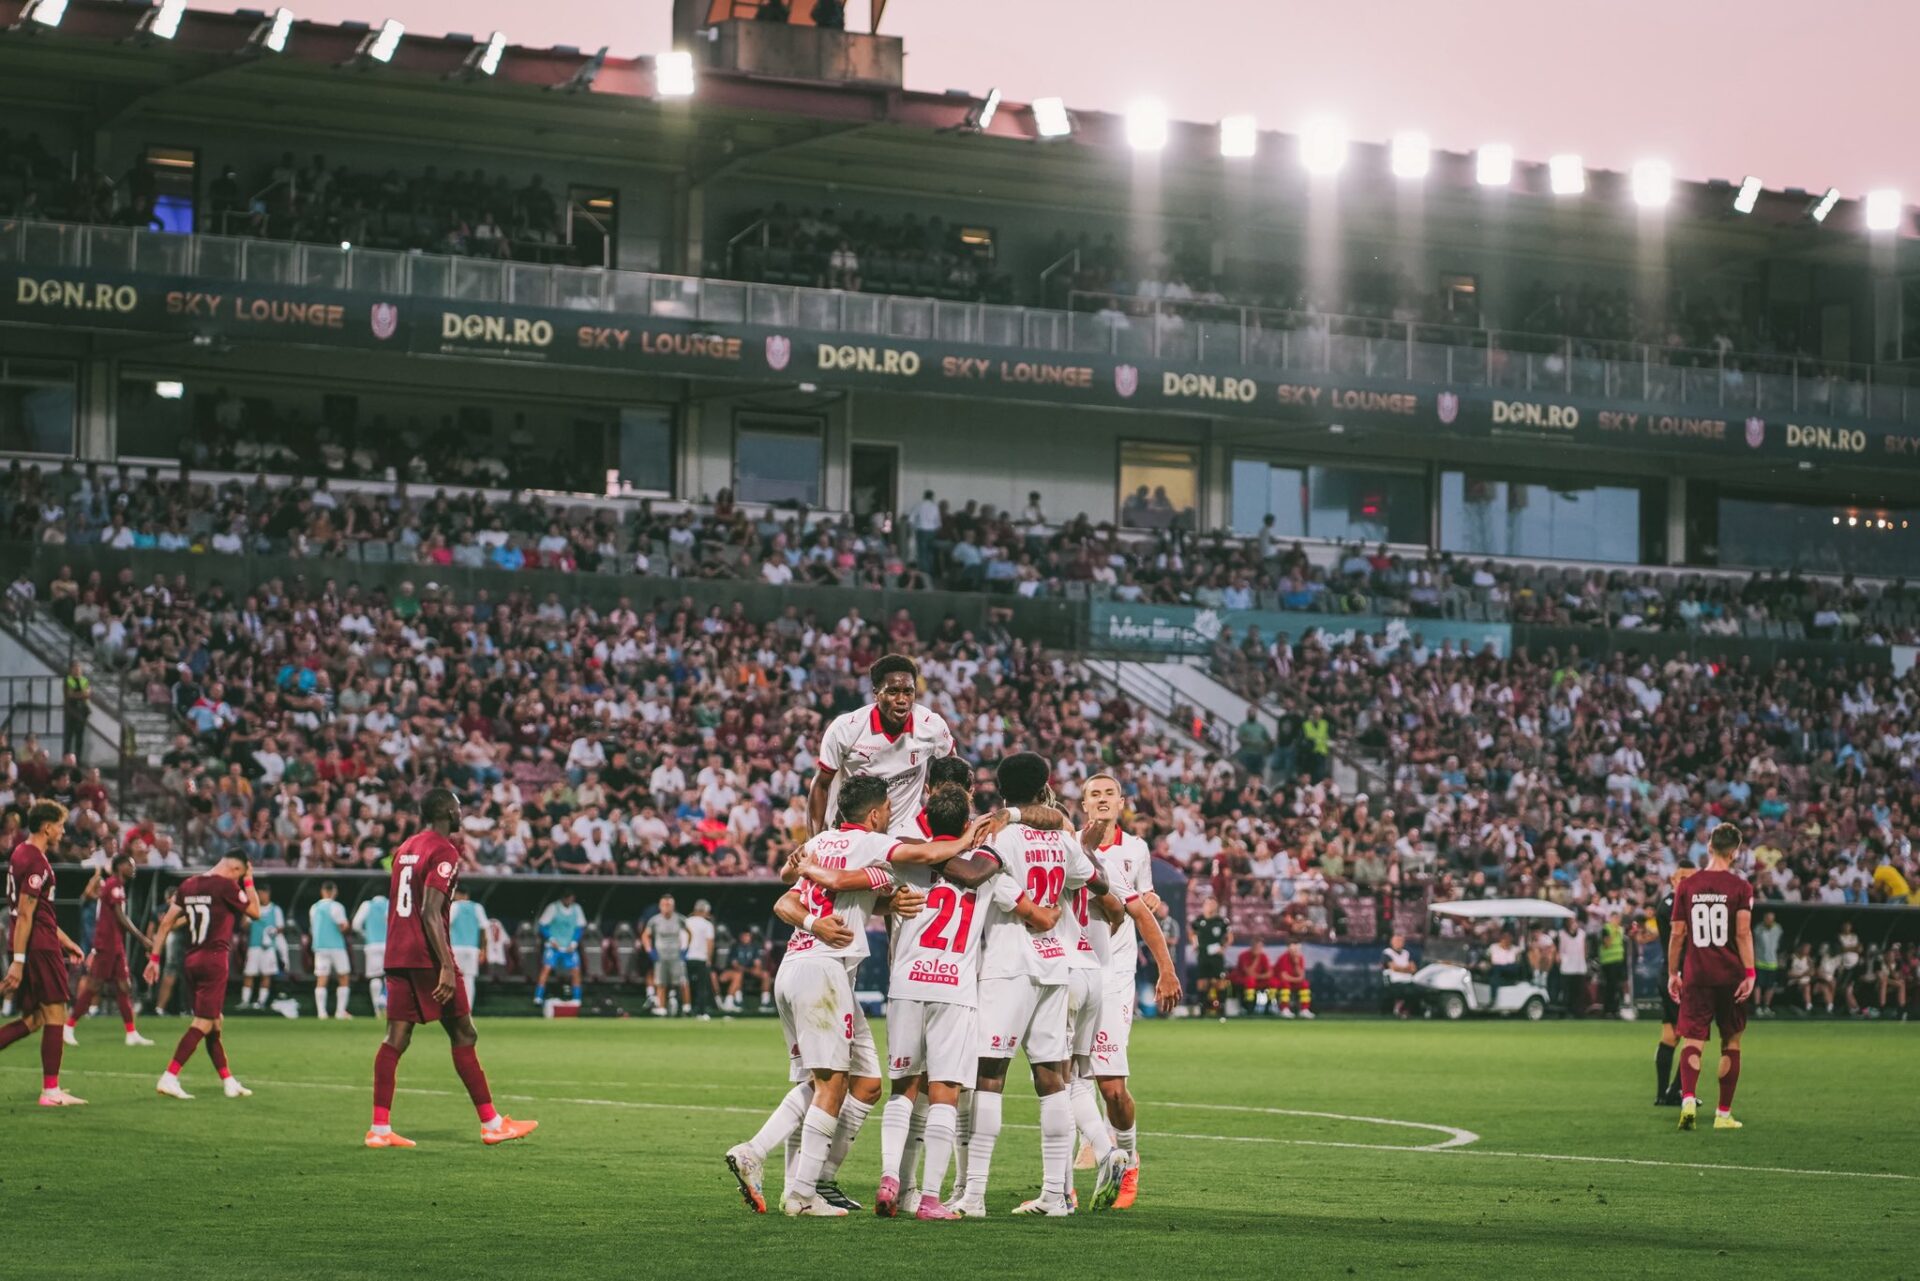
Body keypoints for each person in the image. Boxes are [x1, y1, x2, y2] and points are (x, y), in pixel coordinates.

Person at [785, 773, 999, 1219]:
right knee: (943, 1092)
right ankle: (931, 1198)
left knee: (901, 1088)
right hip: (954, 986)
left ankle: (889, 1180)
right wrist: (982, 835)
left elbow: (832, 880)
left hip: (906, 984)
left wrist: (805, 866)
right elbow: (982, 878)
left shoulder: (898, 858)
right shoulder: (986, 861)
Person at [724, 775, 906, 1217]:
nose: (890, 814)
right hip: (822, 973)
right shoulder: (876, 847)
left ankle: (799, 1177)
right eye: (887, 809)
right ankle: (798, 1188)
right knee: (830, 1084)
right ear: (875, 814)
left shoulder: (819, 843)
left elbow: (786, 900)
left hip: (796, 969)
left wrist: (815, 918)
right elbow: (909, 861)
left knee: (863, 1083)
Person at [960, 752, 1113, 1219]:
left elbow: (974, 874)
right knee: (1052, 1078)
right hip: (1055, 965)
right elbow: (1100, 881)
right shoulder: (1061, 838)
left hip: (1010, 965)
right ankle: (1053, 1195)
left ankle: (973, 1195)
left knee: (990, 1076)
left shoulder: (1001, 835)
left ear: (1002, 790)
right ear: (1044, 786)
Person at [366, 787, 537, 1149]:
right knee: (464, 1033)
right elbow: (429, 912)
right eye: (458, 807)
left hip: (397, 952)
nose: (462, 813)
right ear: (446, 811)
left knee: (396, 1037)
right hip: (426, 955)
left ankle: (379, 1129)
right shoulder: (443, 850)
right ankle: (491, 1124)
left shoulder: (406, 847)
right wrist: (445, 965)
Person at [1074, 773, 1180, 1210]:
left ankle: (1128, 1158)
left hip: (1115, 973)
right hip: (1070, 973)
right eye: (1094, 794)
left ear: (1121, 803)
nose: (1102, 800)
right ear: (1083, 805)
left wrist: (1165, 967)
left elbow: (1143, 902)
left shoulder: (1133, 849)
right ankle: (1062, 1183)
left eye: (1109, 794)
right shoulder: (1069, 845)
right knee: (1060, 1077)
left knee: (1111, 1085)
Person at [146, 848, 260, 1100]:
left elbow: (166, 923)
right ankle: (170, 1076)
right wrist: (249, 881)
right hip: (214, 960)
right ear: (235, 869)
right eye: (240, 874)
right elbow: (255, 912)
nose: (239, 879)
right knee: (204, 1022)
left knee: (214, 1022)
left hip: (192, 960)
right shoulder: (226, 886)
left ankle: (228, 1081)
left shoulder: (188, 884)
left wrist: (154, 959)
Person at [806, 654, 955, 840]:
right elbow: (820, 785)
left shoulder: (931, 725)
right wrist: (813, 842)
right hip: (854, 832)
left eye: (908, 692)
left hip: (907, 832)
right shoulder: (845, 728)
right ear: (876, 694)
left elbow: (953, 769)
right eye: (893, 691)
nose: (902, 699)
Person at [1668, 823, 1757, 1132]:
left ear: (1709, 847)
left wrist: (1672, 973)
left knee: (1693, 1039)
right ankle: (1723, 1114)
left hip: (1697, 973)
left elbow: (1677, 934)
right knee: (1731, 1040)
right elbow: (1743, 933)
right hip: (1730, 974)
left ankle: (1688, 1100)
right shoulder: (1741, 887)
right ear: (1735, 853)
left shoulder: (1687, 886)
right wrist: (1750, 973)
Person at [0, 801, 88, 1106]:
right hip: (37, 947)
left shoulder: (20, 853)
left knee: (36, 1018)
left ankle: (52, 1088)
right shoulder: (36, 861)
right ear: (47, 827)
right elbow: (27, 914)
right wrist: (18, 962)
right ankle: (51, 1091)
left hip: (34, 941)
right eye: (60, 826)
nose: (63, 832)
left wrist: (65, 941)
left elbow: (37, 913)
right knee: (55, 1013)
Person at [66, 852, 156, 1046]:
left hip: (115, 945)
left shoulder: (118, 885)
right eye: (130, 864)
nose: (133, 868)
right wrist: (142, 939)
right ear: (120, 866)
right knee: (94, 986)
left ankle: (131, 1033)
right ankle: (68, 1027)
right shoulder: (114, 884)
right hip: (106, 944)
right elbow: (121, 917)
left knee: (124, 986)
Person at [1651, 868, 1695, 1106]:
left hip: (1672, 974)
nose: (1689, 882)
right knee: (1693, 1034)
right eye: (1684, 878)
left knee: (1670, 1036)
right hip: (1676, 976)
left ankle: (1662, 1095)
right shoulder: (1671, 904)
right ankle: (1676, 1091)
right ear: (1673, 879)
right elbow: (1680, 934)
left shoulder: (1679, 902)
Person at [309, 881, 353, 1020]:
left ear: (322, 891)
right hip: (336, 947)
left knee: (322, 978)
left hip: (319, 947)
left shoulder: (314, 907)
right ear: (334, 891)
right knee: (343, 977)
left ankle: (321, 1013)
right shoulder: (337, 907)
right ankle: (340, 1012)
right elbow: (342, 926)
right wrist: (347, 927)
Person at [239, 884, 286, 1012]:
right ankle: (245, 1001)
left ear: (268, 894)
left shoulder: (275, 909)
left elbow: (281, 927)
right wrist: (246, 913)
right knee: (249, 973)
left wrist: (272, 932)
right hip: (254, 946)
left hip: (268, 948)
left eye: (263, 893)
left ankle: (261, 1002)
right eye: (259, 894)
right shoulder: (253, 908)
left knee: (266, 975)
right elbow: (244, 926)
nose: (261, 896)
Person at [535, 892, 586, 1006]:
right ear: (563, 898)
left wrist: (574, 943)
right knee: (546, 969)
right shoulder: (553, 907)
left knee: (576, 971)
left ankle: (577, 998)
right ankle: (538, 997)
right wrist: (552, 940)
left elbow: (580, 928)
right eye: (568, 898)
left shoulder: (577, 909)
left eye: (572, 899)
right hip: (554, 947)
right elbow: (542, 926)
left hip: (569, 948)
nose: (570, 901)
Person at [643, 894, 690, 1016]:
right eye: (664, 905)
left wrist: (685, 950)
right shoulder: (655, 920)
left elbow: (689, 933)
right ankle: (661, 1008)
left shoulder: (679, 919)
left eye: (669, 905)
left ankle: (687, 1007)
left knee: (682, 982)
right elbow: (645, 936)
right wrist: (650, 951)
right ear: (660, 906)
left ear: (673, 906)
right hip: (661, 956)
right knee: (661, 983)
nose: (666, 907)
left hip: (676, 956)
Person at [353, 888, 390, 1018]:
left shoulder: (367, 905)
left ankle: (376, 1010)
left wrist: (365, 934)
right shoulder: (390, 904)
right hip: (389, 945)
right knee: (390, 976)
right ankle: (388, 1006)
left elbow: (356, 924)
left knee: (375, 977)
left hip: (372, 945)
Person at [448, 887, 488, 1009]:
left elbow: (447, 925)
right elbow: (484, 929)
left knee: (454, 978)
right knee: (469, 980)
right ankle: (467, 1009)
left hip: (455, 947)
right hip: (472, 949)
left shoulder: (454, 906)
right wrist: (483, 949)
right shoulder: (477, 907)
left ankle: (454, 1008)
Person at [1190, 897, 1230, 1017]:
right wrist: (1194, 943)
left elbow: (1229, 937)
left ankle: (1221, 1007)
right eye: (1208, 904)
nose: (1210, 906)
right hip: (1203, 954)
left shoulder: (1222, 921)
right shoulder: (1198, 921)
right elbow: (1192, 933)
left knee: (1220, 981)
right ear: (1204, 906)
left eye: (1213, 904)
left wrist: (1223, 948)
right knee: (1202, 981)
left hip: (1216, 956)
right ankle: (1202, 1008)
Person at [685, 899, 717, 1020]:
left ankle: (686, 1008)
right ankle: (701, 1012)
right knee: (701, 987)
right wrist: (709, 959)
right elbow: (710, 943)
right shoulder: (707, 924)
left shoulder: (686, 922)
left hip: (686, 958)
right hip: (701, 959)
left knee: (686, 985)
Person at [1554, 915, 1589, 1018]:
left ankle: (1578, 1012)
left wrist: (1584, 959)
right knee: (1566, 992)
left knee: (1579, 991)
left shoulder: (1582, 934)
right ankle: (1565, 1011)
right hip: (1566, 967)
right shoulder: (1561, 934)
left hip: (1579, 966)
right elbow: (1557, 950)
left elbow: (1585, 948)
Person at [1752, 909, 1783, 1018]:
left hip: (1772, 963)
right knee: (1758, 985)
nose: (1770, 921)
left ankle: (1766, 1007)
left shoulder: (1778, 929)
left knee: (1771, 986)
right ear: (1764, 919)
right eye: (1768, 918)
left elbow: (1778, 944)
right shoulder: (1758, 929)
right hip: (1759, 962)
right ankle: (1757, 1007)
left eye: (1772, 919)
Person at [1273, 939, 1314, 1019]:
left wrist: (1296, 964)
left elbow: (1302, 976)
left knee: (1304, 984)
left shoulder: (1300, 958)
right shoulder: (1283, 958)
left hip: (1293, 981)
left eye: (1297, 949)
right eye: (1294, 949)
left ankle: (1304, 1010)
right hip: (1281, 982)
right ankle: (1284, 1009)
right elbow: (1284, 977)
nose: (1296, 951)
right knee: (1285, 985)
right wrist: (1297, 979)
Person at [1232, 940, 1274, 1015]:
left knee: (1272, 982)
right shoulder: (1243, 956)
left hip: (1258, 980)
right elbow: (1249, 973)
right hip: (1242, 980)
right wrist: (1256, 959)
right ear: (1252, 947)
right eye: (1256, 947)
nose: (1258, 949)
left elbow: (1269, 973)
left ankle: (1269, 1008)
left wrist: (1258, 976)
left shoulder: (1263, 956)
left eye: (1260, 947)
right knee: (1250, 981)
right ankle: (1249, 1009)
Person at [1380, 933, 1416, 1018]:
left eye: (1401, 941)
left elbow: (1413, 969)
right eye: (1397, 941)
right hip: (1394, 980)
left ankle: (1408, 1011)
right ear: (1392, 942)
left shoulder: (1407, 953)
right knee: (1404, 991)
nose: (1399, 943)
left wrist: (1402, 969)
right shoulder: (1387, 953)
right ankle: (1399, 1009)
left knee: (1417, 990)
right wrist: (1406, 969)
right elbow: (1394, 968)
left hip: (1408, 980)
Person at [62, 659, 91, 762]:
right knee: (68, 737)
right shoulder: (68, 680)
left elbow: (88, 693)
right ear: (71, 669)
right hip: (71, 711)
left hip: (82, 711)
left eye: (79, 667)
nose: (77, 670)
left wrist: (79, 694)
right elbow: (70, 694)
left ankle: (78, 761)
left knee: (80, 737)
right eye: (75, 667)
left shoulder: (84, 680)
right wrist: (82, 694)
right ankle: (66, 760)